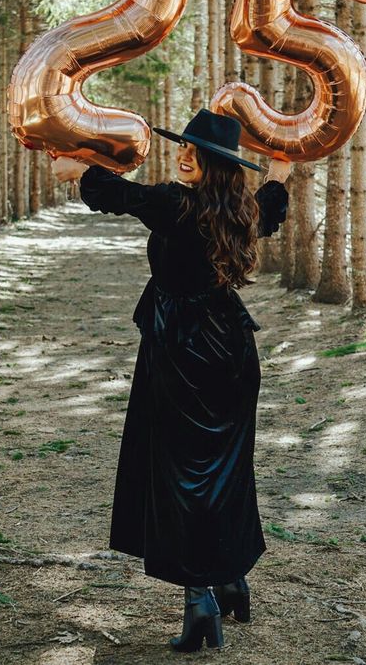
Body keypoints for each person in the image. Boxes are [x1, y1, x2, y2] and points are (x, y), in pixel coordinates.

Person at [52, 108, 291, 653]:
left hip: (184, 355)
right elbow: (272, 202)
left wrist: (78, 171)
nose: (184, 155)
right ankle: (231, 580)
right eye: (182, 146)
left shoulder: (178, 205)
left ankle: (201, 599)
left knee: (186, 476)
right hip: (231, 350)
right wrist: (280, 170)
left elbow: (123, 196)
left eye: (195, 151)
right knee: (225, 470)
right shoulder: (241, 209)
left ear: (216, 165)